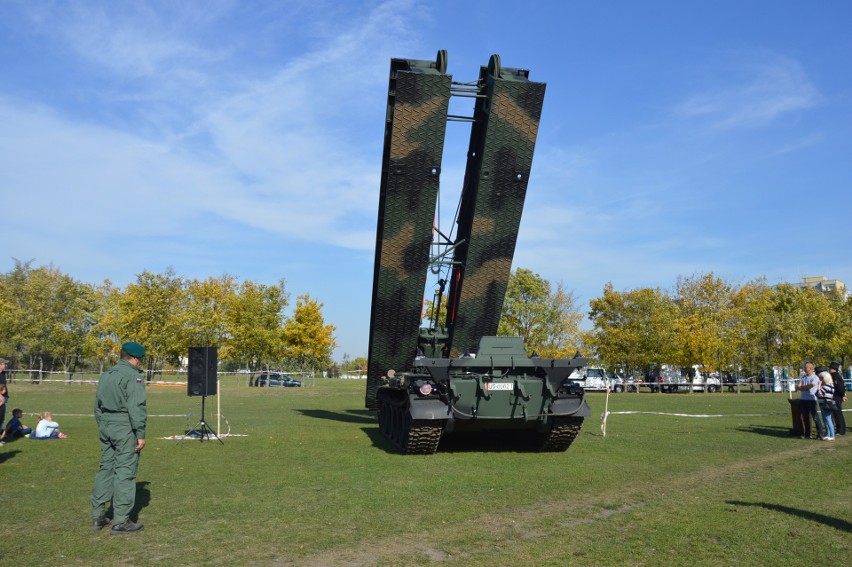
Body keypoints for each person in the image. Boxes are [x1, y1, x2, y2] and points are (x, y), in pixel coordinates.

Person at [90, 341, 148, 534]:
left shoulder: (106, 375)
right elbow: (136, 407)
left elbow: (97, 405)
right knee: (125, 471)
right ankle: (121, 521)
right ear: (135, 358)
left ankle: (98, 516)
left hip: (106, 424)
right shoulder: (133, 376)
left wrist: (104, 425)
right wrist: (140, 434)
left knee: (105, 467)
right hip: (124, 427)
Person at [796, 362, 822, 439]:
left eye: (806, 368)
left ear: (810, 368)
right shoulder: (804, 377)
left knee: (815, 417)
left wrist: (803, 388)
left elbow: (811, 386)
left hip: (811, 400)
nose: (804, 369)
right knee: (805, 417)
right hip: (803, 399)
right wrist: (803, 387)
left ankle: (820, 433)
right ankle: (807, 434)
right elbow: (798, 386)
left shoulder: (815, 378)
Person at [816, 370, 836, 441]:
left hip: (825, 404)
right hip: (829, 403)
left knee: (827, 419)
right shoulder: (831, 385)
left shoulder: (825, 386)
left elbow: (819, 394)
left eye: (821, 378)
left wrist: (819, 385)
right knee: (827, 419)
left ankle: (832, 435)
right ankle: (828, 434)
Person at [829, 362, 846, 436]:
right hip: (836, 396)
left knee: (837, 413)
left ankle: (841, 430)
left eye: (830, 368)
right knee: (836, 413)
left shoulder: (835, 376)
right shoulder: (835, 375)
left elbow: (840, 387)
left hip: (836, 397)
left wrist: (842, 395)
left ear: (833, 369)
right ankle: (840, 429)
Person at [0, 357, 9, 430]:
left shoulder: (3, 373)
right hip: (1, 399)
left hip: (4, 397)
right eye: (4, 364)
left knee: (2, 418)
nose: (6, 365)